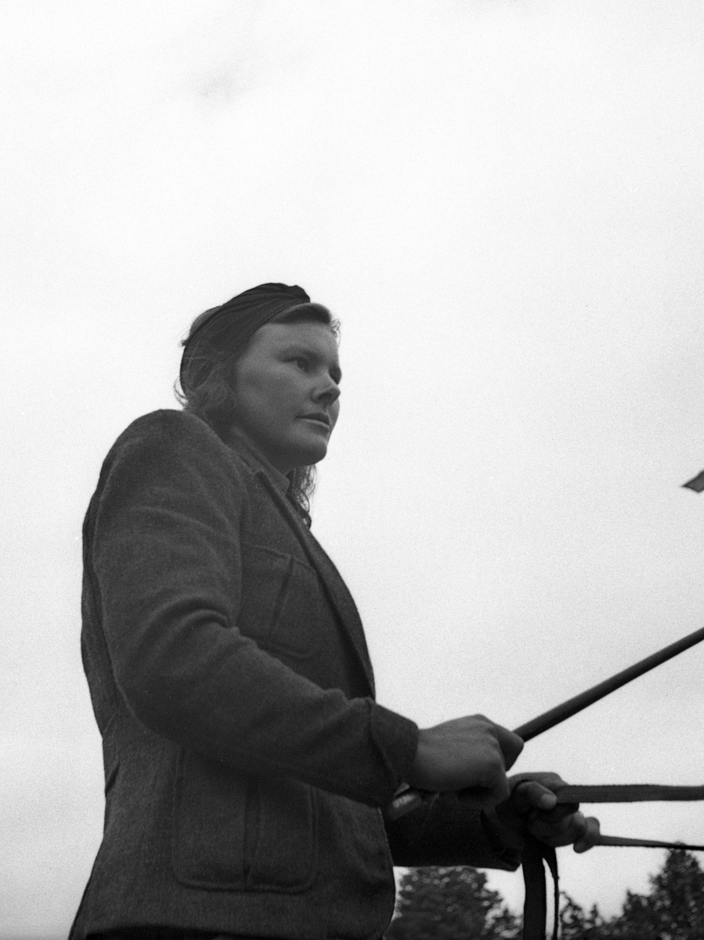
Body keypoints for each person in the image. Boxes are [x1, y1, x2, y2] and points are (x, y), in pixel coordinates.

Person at [70, 283, 597, 940]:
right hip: (193, 922)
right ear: (218, 376)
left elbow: (335, 799)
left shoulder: (286, 526)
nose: (328, 389)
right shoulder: (174, 445)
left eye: (335, 375)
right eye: (299, 362)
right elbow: (174, 660)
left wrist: (494, 821)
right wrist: (409, 749)